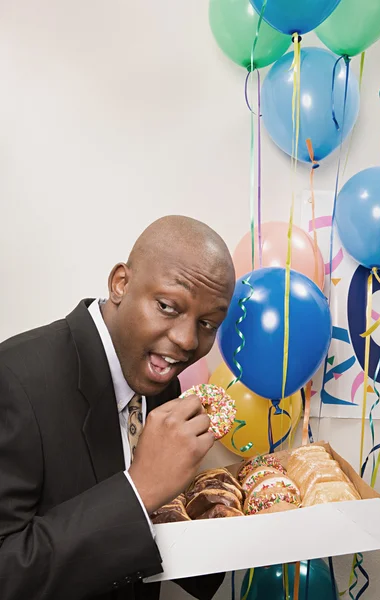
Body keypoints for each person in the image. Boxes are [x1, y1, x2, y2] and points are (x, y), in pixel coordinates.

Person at [0, 216, 236, 600]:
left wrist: (222, 515)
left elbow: (157, 545)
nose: (187, 340)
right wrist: (139, 488)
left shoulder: (162, 383)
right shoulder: (13, 379)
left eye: (208, 323)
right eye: (167, 306)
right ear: (121, 284)